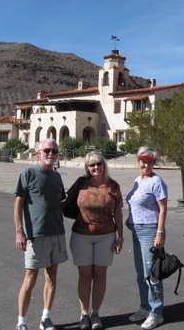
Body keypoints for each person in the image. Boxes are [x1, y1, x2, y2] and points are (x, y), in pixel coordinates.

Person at [13, 139, 67, 330]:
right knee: (30, 277)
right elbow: (18, 203)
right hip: (35, 234)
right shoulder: (27, 173)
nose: (51, 154)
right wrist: (19, 232)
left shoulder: (57, 176)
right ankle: (22, 321)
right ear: (38, 153)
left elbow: (60, 203)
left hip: (57, 232)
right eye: (47, 150)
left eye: (54, 151)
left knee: (52, 275)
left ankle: (46, 317)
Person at [70, 151, 124, 330]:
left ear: (104, 165)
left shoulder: (113, 186)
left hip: (106, 236)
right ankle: (84, 314)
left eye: (98, 164)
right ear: (87, 168)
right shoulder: (81, 184)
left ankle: (95, 313)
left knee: (100, 275)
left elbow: (117, 212)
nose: (95, 168)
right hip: (81, 236)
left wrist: (120, 237)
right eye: (91, 165)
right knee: (85, 275)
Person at [125, 146, 169, 329]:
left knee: (151, 274)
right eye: (143, 161)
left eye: (150, 161)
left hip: (151, 231)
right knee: (140, 274)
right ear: (138, 162)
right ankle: (145, 306)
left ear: (154, 163)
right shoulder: (138, 180)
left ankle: (156, 313)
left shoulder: (156, 182)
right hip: (136, 230)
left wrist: (159, 233)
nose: (146, 164)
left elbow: (163, 209)